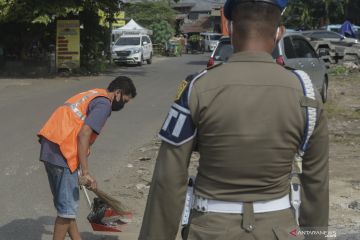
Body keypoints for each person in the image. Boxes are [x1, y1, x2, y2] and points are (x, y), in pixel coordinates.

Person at [138, 0, 329, 239]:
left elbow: (168, 179)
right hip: (279, 230)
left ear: (227, 28)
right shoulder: (305, 93)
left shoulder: (197, 88)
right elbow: (317, 183)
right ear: (279, 32)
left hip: (210, 230)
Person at [38, 76, 136, 240]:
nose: (123, 105)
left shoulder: (94, 94)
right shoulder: (104, 104)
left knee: (66, 208)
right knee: (66, 211)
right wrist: (86, 172)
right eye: (124, 101)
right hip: (64, 151)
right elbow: (84, 134)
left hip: (51, 145)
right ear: (118, 93)